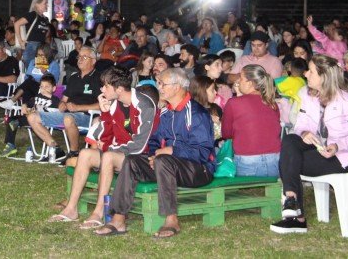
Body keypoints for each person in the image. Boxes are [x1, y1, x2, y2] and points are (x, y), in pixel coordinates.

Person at [96, 68, 214, 238]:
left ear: (177, 87)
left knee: (164, 160)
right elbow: (154, 141)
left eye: (162, 84)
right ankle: (118, 218)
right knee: (132, 161)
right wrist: (153, 155)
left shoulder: (196, 113)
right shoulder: (166, 112)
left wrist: (172, 150)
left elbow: (203, 152)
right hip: (167, 165)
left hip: (199, 170)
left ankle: (171, 220)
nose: (159, 87)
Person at [49, 70, 160, 228]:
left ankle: (99, 213)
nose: (101, 90)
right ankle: (71, 209)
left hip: (142, 159)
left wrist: (109, 147)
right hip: (120, 154)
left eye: (106, 86)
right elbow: (108, 134)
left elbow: (139, 145)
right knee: (86, 153)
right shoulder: (116, 104)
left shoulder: (145, 105)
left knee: (108, 156)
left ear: (119, 89)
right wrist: (106, 113)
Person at [270, 55, 348, 234]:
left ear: (324, 76)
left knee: (289, 161)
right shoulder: (308, 95)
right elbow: (300, 125)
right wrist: (305, 133)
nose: (306, 74)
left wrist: (337, 146)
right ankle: (292, 201)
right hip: (318, 147)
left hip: (343, 156)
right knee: (290, 140)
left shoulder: (346, 100)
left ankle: (296, 218)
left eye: (311, 71)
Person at [27, 46, 101, 162]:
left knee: (68, 118)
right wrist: (62, 103)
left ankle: (74, 153)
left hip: (88, 116)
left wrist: (78, 108)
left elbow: (102, 105)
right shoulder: (73, 78)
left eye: (84, 57)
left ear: (93, 61)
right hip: (68, 114)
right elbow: (64, 99)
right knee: (32, 117)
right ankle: (56, 149)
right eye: (79, 57)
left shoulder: (98, 78)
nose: (80, 59)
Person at [222, 65, 281, 177]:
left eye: (241, 78)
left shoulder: (233, 103)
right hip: (275, 159)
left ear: (249, 83)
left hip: (247, 160)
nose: (238, 81)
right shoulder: (272, 103)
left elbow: (226, 133)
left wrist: (239, 97)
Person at [1, 74, 60, 158]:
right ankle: (10, 145)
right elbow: (28, 103)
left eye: (47, 87)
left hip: (43, 119)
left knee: (27, 117)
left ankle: (17, 123)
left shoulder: (55, 99)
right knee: (11, 118)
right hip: (31, 118)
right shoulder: (37, 97)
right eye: (42, 87)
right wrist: (24, 106)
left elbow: (59, 110)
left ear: (53, 88)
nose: (44, 89)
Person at [14, 0, 50, 67]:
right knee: (32, 71)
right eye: (45, 3)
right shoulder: (32, 15)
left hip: (41, 47)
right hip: (31, 46)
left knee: (41, 71)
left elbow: (45, 33)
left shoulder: (45, 19)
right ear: (37, 4)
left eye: (47, 3)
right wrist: (20, 41)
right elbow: (17, 24)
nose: (47, 5)